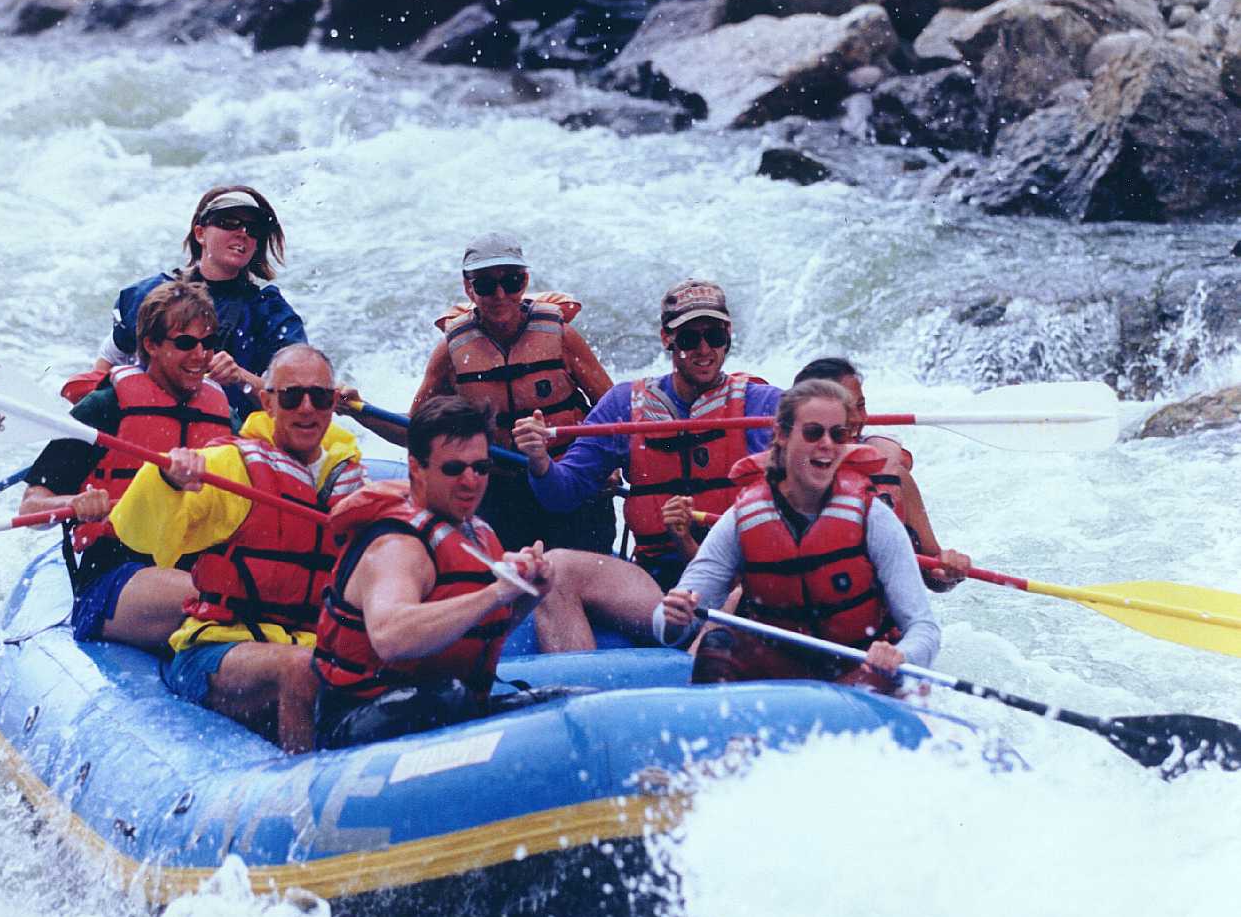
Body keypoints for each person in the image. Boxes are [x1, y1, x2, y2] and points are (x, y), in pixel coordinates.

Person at [109, 344, 366, 753]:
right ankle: (303, 781)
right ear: (267, 401)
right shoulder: (230, 466)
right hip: (219, 650)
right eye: (291, 396)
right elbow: (137, 535)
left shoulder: (352, 482)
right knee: (301, 669)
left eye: (319, 397)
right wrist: (168, 481)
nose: (306, 408)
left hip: (310, 644)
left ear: (333, 403)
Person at [312, 397, 592, 750]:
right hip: (357, 726)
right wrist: (495, 593)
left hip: (447, 706)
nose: (470, 481)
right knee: (451, 696)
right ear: (416, 467)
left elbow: (477, 631)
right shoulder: (396, 546)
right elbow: (391, 637)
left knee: (578, 704)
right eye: (454, 468)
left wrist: (528, 592)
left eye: (481, 468)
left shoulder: (477, 532)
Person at [656, 379, 942, 689]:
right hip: (781, 670)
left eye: (838, 434)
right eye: (813, 432)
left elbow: (924, 629)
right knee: (717, 648)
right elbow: (670, 620)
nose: (827, 445)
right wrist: (674, 618)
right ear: (782, 435)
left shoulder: (873, 517)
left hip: (857, 670)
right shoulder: (743, 518)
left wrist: (901, 656)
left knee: (878, 675)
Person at [347, 233, 616, 554]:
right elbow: (415, 432)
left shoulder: (562, 337)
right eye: (486, 285)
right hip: (501, 494)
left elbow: (612, 411)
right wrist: (357, 410)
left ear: (525, 281)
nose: (500, 295)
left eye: (511, 282)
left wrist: (608, 465)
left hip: (569, 479)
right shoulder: (451, 353)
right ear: (468, 288)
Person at [514, 278, 784, 592]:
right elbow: (562, 495)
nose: (704, 349)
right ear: (667, 338)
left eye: (714, 336)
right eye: (689, 339)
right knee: (556, 569)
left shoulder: (765, 404)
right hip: (655, 578)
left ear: (728, 335)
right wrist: (539, 460)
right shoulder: (623, 405)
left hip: (738, 575)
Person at [19, 278, 233, 653]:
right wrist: (74, 503)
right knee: (215, 597)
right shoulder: (104, 408)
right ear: (151, 345)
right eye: (185, 343)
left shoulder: (223, 416)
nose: (200, 355)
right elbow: (31, 510)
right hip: (114, 576)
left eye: (208, 343)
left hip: (197, 567)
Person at [69, 185, 307, 420]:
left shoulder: (270, 313)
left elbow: (296, 399)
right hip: (144, 425)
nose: (243, 233)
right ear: (200, 233)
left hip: (226, 436)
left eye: (253, 229)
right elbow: (108, 361)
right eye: (229, 222)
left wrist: (240, 377)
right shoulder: (148, 295)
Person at [789, 357, 970, 591]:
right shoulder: (775, 480)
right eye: (843, 408)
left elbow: (934, 576)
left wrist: (948, 572)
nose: (857, 419)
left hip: (875, 611)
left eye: (860, 406)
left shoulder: (894, 476)